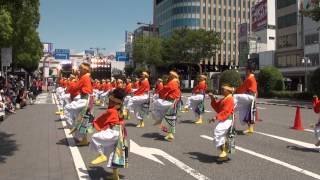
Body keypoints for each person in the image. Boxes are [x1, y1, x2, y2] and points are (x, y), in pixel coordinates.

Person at [89, 88, 128, 180]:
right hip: (120, 132)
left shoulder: (112, 110)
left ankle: (101, 155)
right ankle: (115, 176)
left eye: (110, 100)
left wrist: (93, 122)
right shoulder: (121, 108)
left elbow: (101, 119)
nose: (108, 101)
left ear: (113, 100)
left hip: (114, 132)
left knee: (94, 137)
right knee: (113, 154)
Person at [66, 63, 93, 146]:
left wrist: (72, 80)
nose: (79, 70)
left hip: (85, 99)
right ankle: (83, 139)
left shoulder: (84, 77)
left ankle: (73, 125)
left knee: (68, 107)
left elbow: (74, 88)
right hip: (87, 99)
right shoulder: (85, 77)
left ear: (84, 70)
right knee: (84, 121)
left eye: (80, 68)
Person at [152, 71, 181, 141]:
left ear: (173, 76)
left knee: (169, 117)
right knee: (169, 117)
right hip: (172, 101)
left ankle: (169, 133)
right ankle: (169, 133)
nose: (169, 76)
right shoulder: (175, 81)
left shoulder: (173, 82)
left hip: (171, 101)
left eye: (170, 75)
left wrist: (160, 93)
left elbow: (166, 88)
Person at [209, 84, 235, 161]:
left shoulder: (230, 99)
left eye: (223, 89)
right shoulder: (225, 98)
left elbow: (226, 111)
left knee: (218, 132)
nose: (222, 91)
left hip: (228, 119)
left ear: (228, 91)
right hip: (225, 118)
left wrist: (216, 117)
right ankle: (224, 154)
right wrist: (212, 99)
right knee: (220, 134)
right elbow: (218, 107)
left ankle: (224, 151)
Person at [233, 65, 257, 134]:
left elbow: (242, 88)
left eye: (246, 70)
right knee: (246, 111)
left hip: (249, 96)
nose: (245, 71)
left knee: (235, 97)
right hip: (250, 97)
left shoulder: (249, 78)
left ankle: (230, 109)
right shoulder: (252, 77)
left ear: (249, 70)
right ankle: (250, 128)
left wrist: (235, 90)